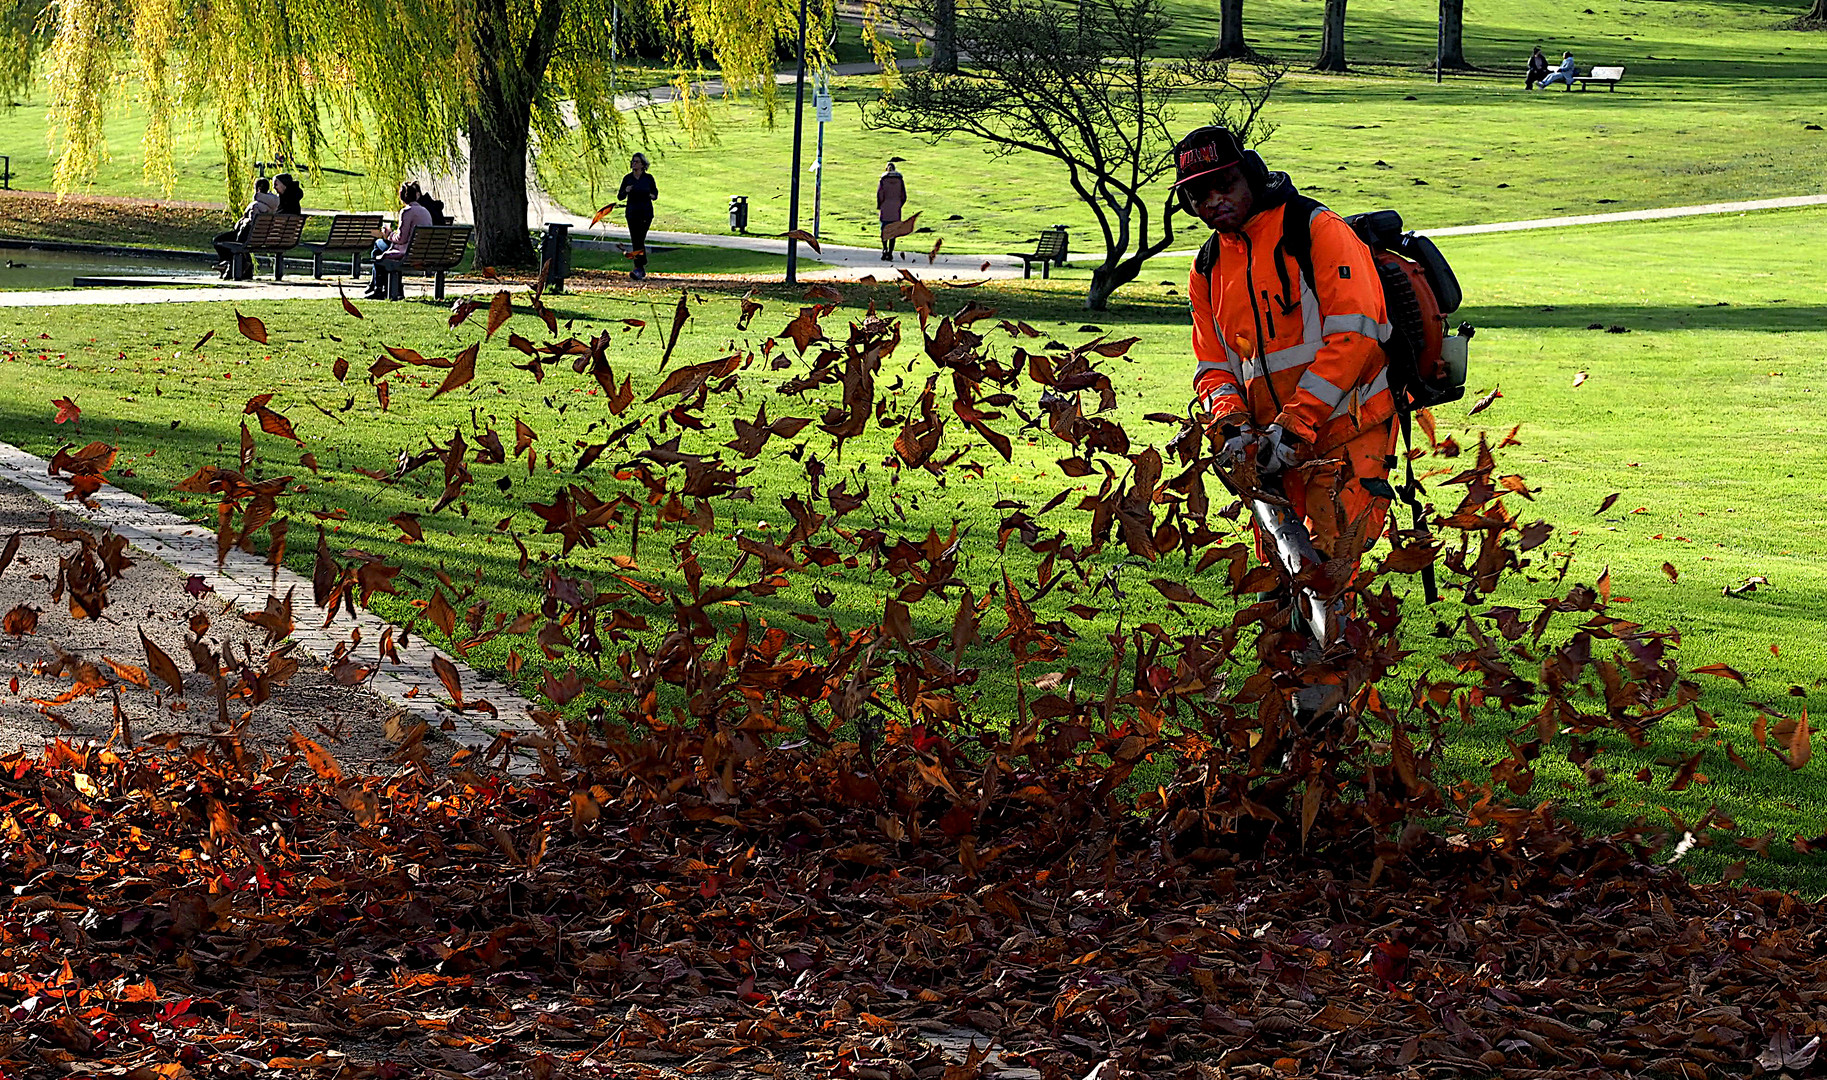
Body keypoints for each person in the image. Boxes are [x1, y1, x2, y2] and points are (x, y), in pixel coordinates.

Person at [1177, 125, 1395, 676]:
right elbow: (1215, 367)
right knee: (1281, 578)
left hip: (1345, 433)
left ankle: (1333, 709)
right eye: (1198, 194)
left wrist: (1296, 427)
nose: (1213, 202)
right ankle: (1293, 711)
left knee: (1329, 572)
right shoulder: (1206, 271)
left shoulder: (1314, 230)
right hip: (1270, 456)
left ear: (1248, 174)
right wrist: (1231, 430)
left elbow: (1356, 335)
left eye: (1223, 184)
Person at [365, 180, 433, 299]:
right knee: (379, 250)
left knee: (377, 246)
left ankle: (378, 288)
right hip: (421, 252)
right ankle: (382, 287)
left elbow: (401, 239)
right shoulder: (425, 211)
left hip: (407, 252)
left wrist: (388, 234)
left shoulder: (406, 212)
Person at [212, 177, 278, 277]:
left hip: (249, 236)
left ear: (258, 189)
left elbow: (250, 222)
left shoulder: (256, 205)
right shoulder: (275, 204)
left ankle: (233, 263)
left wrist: (241, 222)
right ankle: (242, 267)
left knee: (218, 241)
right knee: (236, 242)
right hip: (262, 237)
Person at [617, 153, 658, 280]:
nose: (634, 164)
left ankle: (640, 266)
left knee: (640, 239)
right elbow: (620, 196)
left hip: (645, 212)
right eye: (633, 161)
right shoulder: (628, 178)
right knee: (636, 240)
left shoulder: (648, 178)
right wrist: (626, 191)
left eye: (636, 162)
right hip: (632, 212)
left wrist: (651, 196)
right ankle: (639, 267)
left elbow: (655, 194)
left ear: (642, 164)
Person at [877, 162, 908, 261]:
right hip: (896, 209)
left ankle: (884, 249)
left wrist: (880, 205)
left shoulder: (883, 180)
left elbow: (880, 194)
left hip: (885, 207)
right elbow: (903, 196)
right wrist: (899, 205)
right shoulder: (900, 180)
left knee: (884, 229)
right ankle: (890, 252)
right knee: (893, 232)